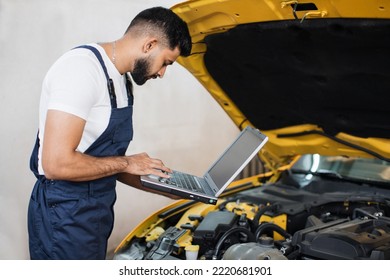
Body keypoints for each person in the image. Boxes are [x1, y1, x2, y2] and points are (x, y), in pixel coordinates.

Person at [27, 6, 192, 260]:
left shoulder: (123, 81)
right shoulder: (81, 70)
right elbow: (56, 164)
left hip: (95, 213)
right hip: (64, 214)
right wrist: (128, 161)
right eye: (165, 63)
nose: (162, 73)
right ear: (149, 45)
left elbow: (107, 164)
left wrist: (171, 189)